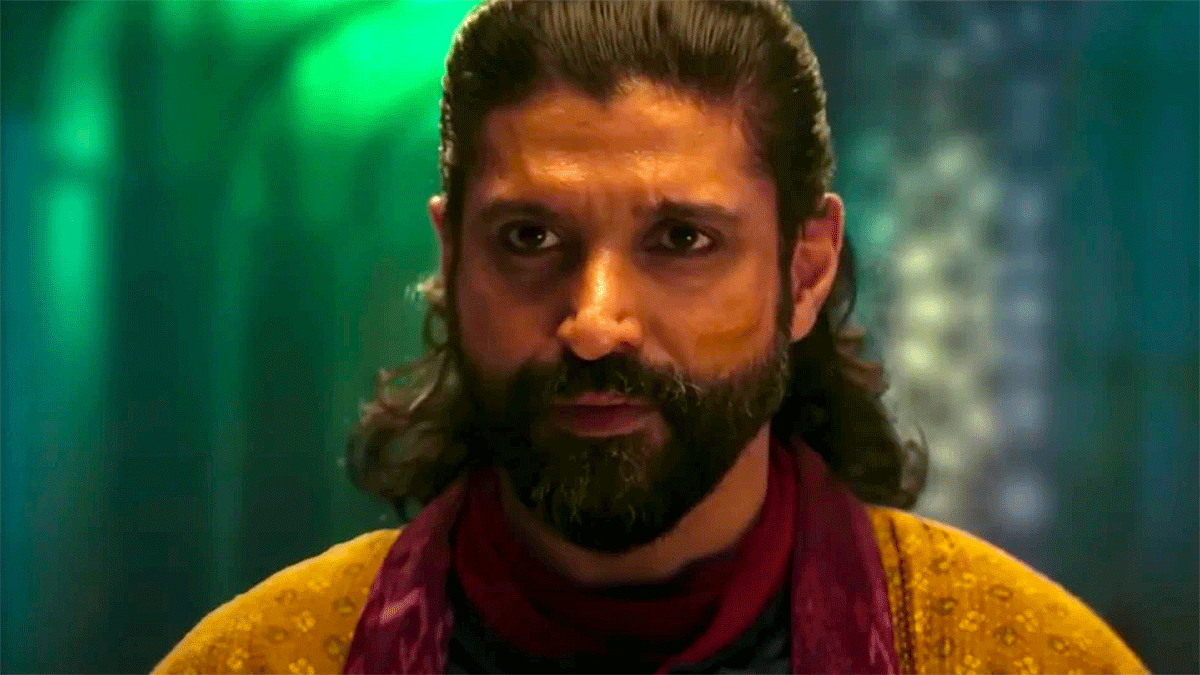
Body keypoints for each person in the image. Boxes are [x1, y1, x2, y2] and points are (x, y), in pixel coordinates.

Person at [154, 1, 1147, 673]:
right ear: (452, 260)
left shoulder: (1021, 656)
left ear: (804, 271)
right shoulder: (267, 658)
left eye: (681, 241)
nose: (595, 323)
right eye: (529, 238)